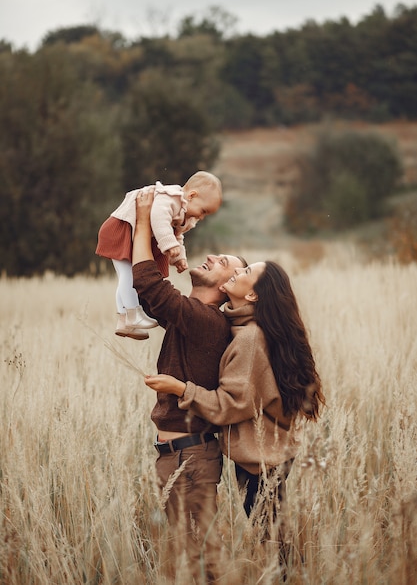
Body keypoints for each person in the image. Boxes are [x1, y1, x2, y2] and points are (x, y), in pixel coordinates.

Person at [144, 259, 325, 550]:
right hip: (264, 457)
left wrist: (178, 387)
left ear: (253, 295)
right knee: (274, 540)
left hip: (262, 463)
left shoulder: (250, 338)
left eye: (245, 272)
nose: (237, 272)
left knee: (275, 547)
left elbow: (231, 404)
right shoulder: (242, 327)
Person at [131, 188, 247, 582]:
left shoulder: (206, 321)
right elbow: (152, 300)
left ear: (229, 284)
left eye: (224, 263)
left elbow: (151, 287)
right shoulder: (193, 316)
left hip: (192, 458)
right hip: (175, 454)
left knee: (204, 560)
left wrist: (145, 220)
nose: (212, 256)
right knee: (187, 557)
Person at [96, 170, 222, 340]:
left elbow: (177, 236)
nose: (202, 216)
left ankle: (124, 321)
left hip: (134, 233)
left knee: (125, 276)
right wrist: (168, 244)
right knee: (128, 276)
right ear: (191, 196)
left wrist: (179, 257)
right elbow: (158, 218)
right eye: (204, 211)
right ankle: (133, 313)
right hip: (123, 228)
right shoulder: (171, 198)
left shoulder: (186, 214)